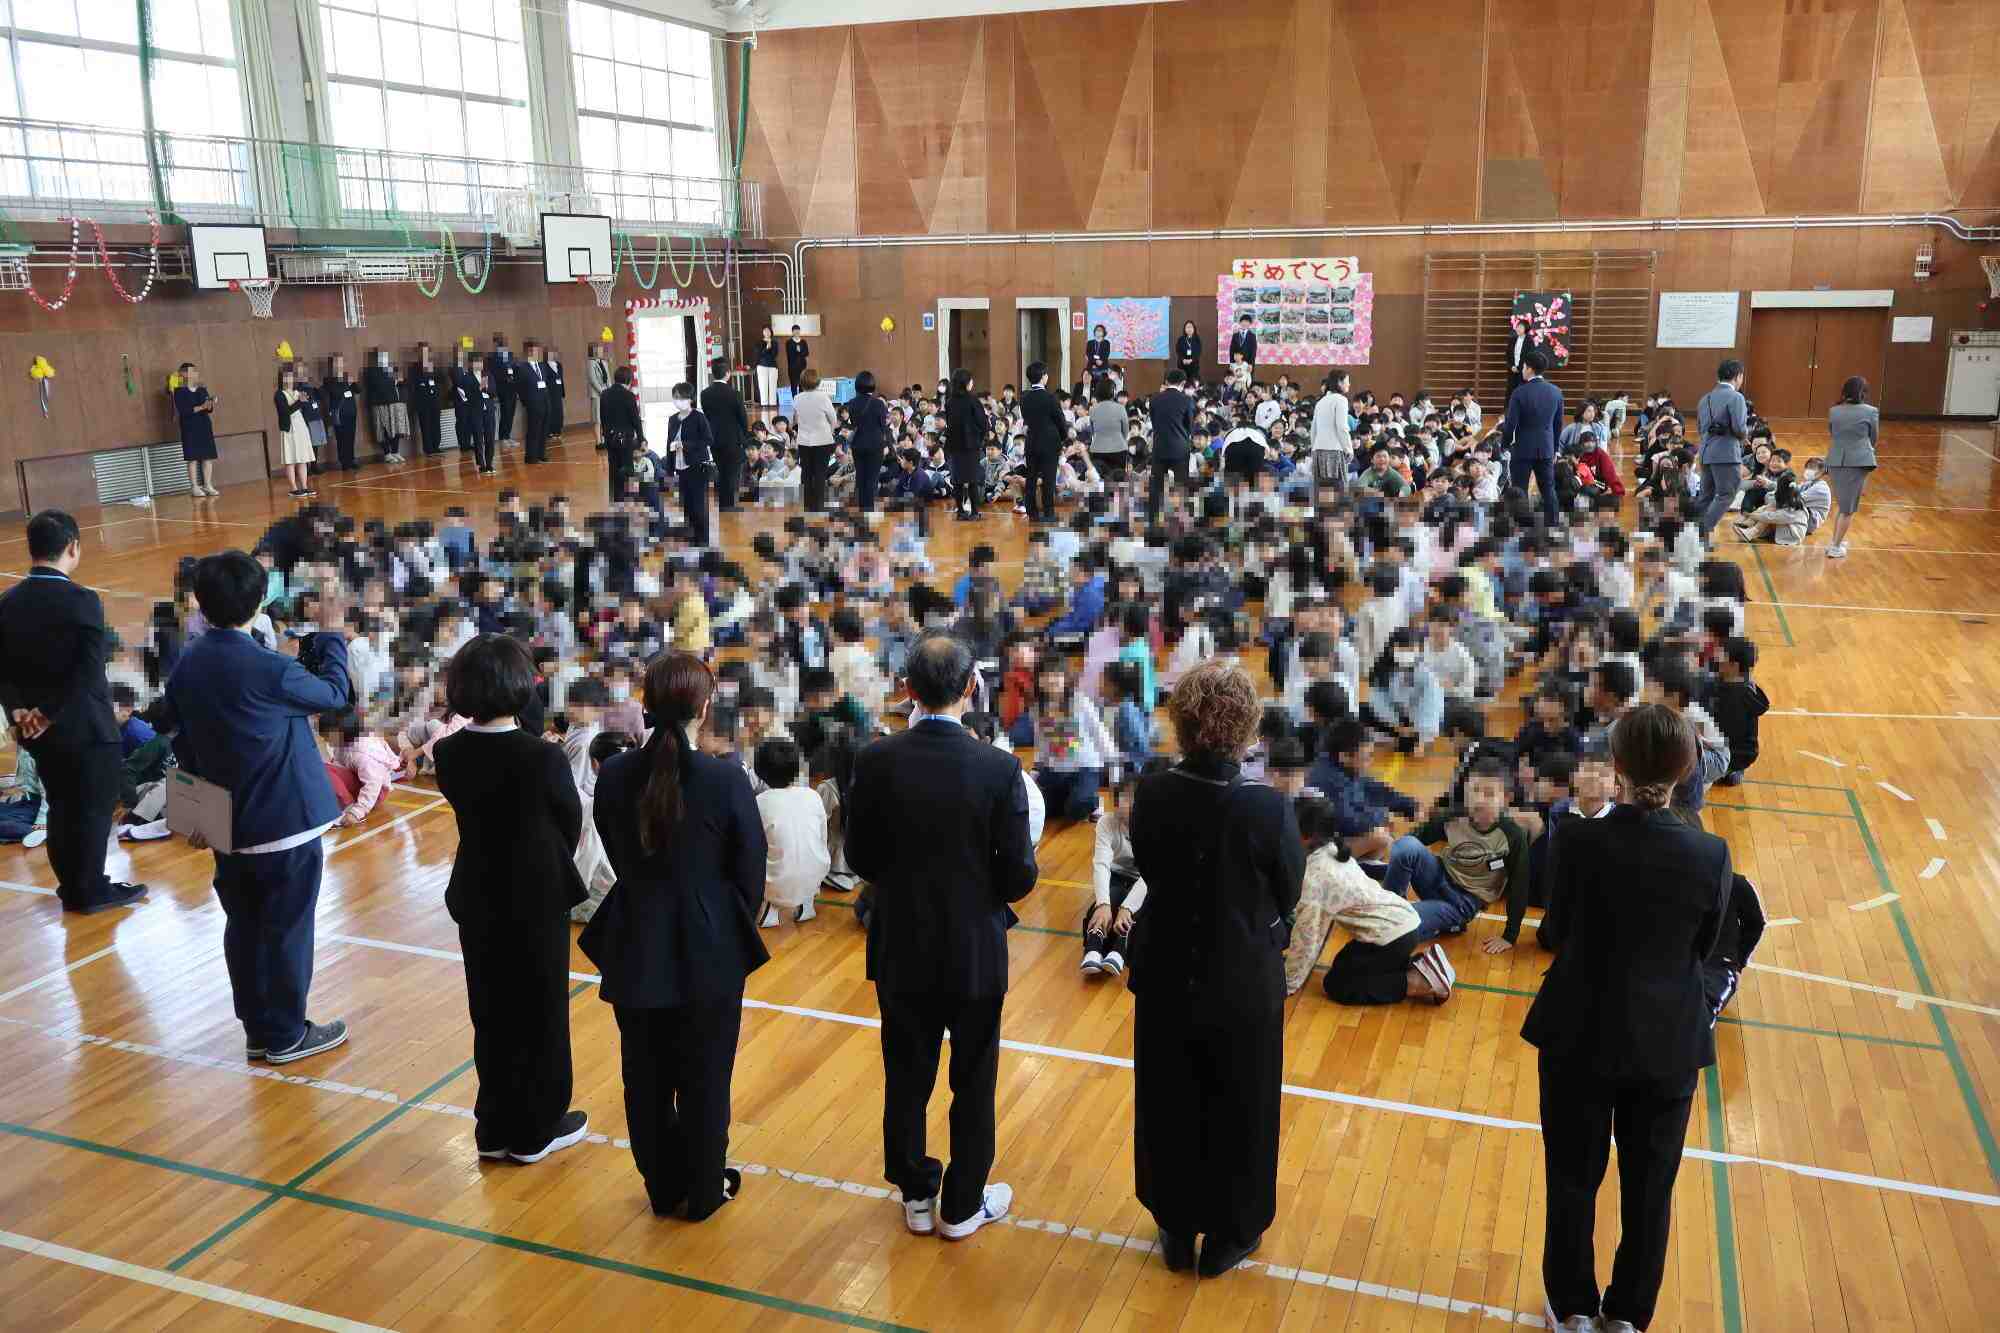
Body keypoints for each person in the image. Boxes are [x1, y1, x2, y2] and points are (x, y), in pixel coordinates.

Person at [1524, 705, 1733, 1333]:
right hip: (1667, 1039)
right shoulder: (1710, 854)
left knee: (1572, 1179)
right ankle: (1627, 1316)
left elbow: (1556, 932)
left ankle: (1573, 1309)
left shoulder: (1578, 840)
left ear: (1616, 765)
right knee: (1649, 1189)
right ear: (1688, 768)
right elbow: (1703, 947)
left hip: (1579, 1030)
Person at [843, 631, 1038, 1242]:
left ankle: (915, 1190)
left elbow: (860, 858)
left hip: (900, 943)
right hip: (974, 947)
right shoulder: (998, 768)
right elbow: (1019, 876)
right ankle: (963, 1202)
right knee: (974, 1076)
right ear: (972, 688)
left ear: (907, 689)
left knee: (906, 1071)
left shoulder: (875, 760)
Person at [1127, 658, 1303, 1278]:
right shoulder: (1268, 809)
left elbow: (1149, 866)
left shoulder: (1152, 792)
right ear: (1247, 729)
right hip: (1242, 978)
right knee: (1243, 1104)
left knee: (1169, 1097)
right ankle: (1233, 1232)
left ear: (1180, 724)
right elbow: (1288, 891)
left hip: (1166, 969)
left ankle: (1175, 1225)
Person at [581, 652, 768, 1220]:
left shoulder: (614, 774)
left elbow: (615, 847)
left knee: (645, 1076)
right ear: (704, 708)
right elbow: (750, 869)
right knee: (706, 1076)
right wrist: (718, 915)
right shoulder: (724, 778)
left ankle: (663, 1187)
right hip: (709, 942)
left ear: (646, 703)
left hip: (635, 935)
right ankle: (706, 1190)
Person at [157, 549, 354, 1063]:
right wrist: (332, 634)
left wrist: (195, 816)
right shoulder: (269, 668)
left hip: (227, 825)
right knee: (288, 928)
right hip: (284, 820)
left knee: (242, 927)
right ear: (260, 600)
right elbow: (335, 693)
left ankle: (259, 1030)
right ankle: (287, 1034)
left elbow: (180, 738)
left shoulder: (187, 665)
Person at [432, 634, 591, 1163]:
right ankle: (537, 1128)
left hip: (477, 891)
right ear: (522, 686)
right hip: (536, 895)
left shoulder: (448, 752)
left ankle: (495, 1125)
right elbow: (568, 819)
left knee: (491, 1009)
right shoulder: (541, 757)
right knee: (541, 1010)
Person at [0, 510, 147, 914]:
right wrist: (48, 711)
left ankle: (73, 886)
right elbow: (86, 671)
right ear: (73, 547)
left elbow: (3, 670)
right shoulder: (82, 601)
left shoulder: (7, 602)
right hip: (85, 727)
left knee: (62, 807)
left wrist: (19, 712)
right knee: (94, 810)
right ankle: (91, 890)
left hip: (38, 733)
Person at [1501, 347, 1564, 526]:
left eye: (1523, 367)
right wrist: (1555, 449)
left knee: (1520, 490)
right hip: (1546, 448)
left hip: (1523, 448)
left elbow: (1510, 424)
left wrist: (1505, 445)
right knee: (1548, 489)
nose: (1522, 370)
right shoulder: (1556, 391)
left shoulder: (1519, 392)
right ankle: (1553, 525)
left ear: (1529, 368)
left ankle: (1523, 527)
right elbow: (1558, 424)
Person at [1823, 374, 1878, 558]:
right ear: (1863, 392)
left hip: (1835, 460)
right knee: (1848, 509)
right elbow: (1873, 437)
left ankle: (1835, 540)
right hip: (1858, 462)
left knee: (1843, 505)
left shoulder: (1834, 411)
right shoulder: (1871, 411)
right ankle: (1835, 547)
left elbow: (1833, 433)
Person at [1696, 358, 1749, 539]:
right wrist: (1744, 437)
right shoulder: (1736, 397)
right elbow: (1740, 428)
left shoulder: (1705, 398)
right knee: (1727, 494)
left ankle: (1689, 533)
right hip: (1726, 454)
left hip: (1705, 452)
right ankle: (1700, 533)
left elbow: (1700, 429)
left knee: (1705, 497)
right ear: (1738, 376)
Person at [701, 355, 752, 514]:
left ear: (713, 373)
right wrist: (744, 436)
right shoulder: (734, 393)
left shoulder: (705, 393)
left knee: (722, 470)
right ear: (728, 373)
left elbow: (707, 415)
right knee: (732, 473)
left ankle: (723, 504)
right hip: (732, 439)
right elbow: (743, 419)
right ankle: (728, 505)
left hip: (714, 438)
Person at [1020, 360, 1067, 523]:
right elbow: (1060, 421)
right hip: (1049, 443)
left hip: (1032, 441)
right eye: (1046, 374)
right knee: (1048, 478)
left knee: (1031, 477)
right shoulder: (1050, 397)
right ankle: (1048, 513)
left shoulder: (1024, 398)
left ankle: (1031, 512)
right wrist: (1063, 437)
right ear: (1042, 376)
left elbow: (1027, 418)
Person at [667, 382, 714, 546]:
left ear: (690, 399)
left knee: (698, 504)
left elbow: (708, 439)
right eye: (676, 397)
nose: (678, 401)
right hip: (680, 467)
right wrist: (669, 469)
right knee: (686, 503)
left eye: (682, 397)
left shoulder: (698, 417)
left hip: (696, 465)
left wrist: (685, 445)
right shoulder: (673, 419)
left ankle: (702, 538)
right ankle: (691, 533)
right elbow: (669, 444)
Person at [1148, 369, 1195, 530]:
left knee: (1156, 487)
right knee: (1181, 486)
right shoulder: (1187, 400)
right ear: (1183, 383)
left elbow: (1154, 422)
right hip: (1180, 448)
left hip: (1160, 447)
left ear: (1166, 381)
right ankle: (1182, 523)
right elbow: (1190, 426)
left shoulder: (1155, 399)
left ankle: (1153, 522)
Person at [791, 367, 838, 513]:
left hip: (804, 441)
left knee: (806, 473)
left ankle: (807, 504)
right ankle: (818, 506)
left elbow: (796, 419)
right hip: (823, 441)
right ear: (818, 382)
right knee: (820, 474)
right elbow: (833, 419)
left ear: (802, 382)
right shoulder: (823, 397)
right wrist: (830, 430)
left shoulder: (797, 398)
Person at [944, 368, 988, 521]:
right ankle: (975, 512)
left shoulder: (949, 402)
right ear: (966, 383)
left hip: (954, 444)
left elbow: (949, 423)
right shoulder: (973, 400)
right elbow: (983, 423)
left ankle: (961, 511)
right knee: (972, 479)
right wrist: (979, 438)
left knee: (957, 479)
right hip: (971, 445)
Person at [848, 370, 891, 514]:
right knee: (872, 479)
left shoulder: (852, 403)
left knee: (861, 477)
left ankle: (862, 511)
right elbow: (883, 426)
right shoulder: (879, 404)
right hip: (875, 445)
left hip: (858, 445)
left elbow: (854, 423)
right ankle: (869, 511)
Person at [174, 362, 220, 496]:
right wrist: (201, 407)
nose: (194, 374)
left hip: (204, 425)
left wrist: (210, 403)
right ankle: (194, 487)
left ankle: (208, 485)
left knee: (208, 457)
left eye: (195, 371)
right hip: (189, 427)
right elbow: (184, 411)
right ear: (184, 374)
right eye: (191, 371)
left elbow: (208, 409)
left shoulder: (202, 389)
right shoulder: (179, 392)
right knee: (192, 458)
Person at [599, 365, 643, 504]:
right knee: (627, 467)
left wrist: (605, 437)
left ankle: (616, 499)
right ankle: (630, 497)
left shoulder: (604, 394)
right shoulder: (629, 396)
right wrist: (641, 438)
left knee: (613, 467)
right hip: (626, 438)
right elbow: (635, 419)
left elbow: (603, 418)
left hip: (610, 438)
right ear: (629, 380)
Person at [274, 364, 318, 499]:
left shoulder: (297, 392)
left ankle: (304, 486)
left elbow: (305, 407)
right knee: (291, 458)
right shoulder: (279, 394)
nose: (289, 380)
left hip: (300, 427)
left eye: (291, 377)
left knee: (302, 458)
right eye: (286, 377)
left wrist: (305, 400)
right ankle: (293, 488)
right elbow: (285, 412)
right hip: (289, 429)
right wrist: (300, 402)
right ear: (281, 379)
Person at [454, 351, 498, 475]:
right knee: (478, 438)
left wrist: (487, 389)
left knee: (490, 437)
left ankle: (489, 463)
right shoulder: (466, 378)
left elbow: (494, 392)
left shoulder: (488, 375)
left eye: (480, 362)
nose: (479, 364)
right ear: (471, 364)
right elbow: (467, 395)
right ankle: (481, 464)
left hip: (489, 410)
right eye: (476, 362)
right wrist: (479, 390)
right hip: (475, 411)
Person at [1310, 369, 1354, 492]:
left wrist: (1314, 449)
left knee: (1321, 492)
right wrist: (1348, 449)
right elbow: (1342, 427)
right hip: (1334, 450)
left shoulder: (1320, 401)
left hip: (1318, 451)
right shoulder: (1341, 399)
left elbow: (1313, 429)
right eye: (1347, 381)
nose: (1349, 384)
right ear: (1339, 382)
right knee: (1336, 492)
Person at [363, 348, 407, 464]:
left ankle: (395, 451)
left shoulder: (391, 368)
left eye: (385, 355)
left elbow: (401, 381)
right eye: (381, 356)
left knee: (395, 428)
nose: (384, 358)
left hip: (394, 403)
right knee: (383, 430)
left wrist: (400, 380)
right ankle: (387, 453)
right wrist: (394, 381)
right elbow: (379, 384)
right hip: (380, 404)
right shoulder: (372, 370)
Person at [1087, 377, 1129, 485]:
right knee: (1118, 483)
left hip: (1097, 450)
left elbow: (1092, 432)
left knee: (1098, 483)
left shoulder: (1093, 410)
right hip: (1118, 450)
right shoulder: (1121, 408)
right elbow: (1125, 431)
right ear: (1113, 392)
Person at [321, 354, 359, 473]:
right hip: (339, 413)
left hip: (351, 411)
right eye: (337, 363)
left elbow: (359, 390)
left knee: (351, 436)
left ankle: (351, 459)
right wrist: (346, 384)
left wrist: (354, 382)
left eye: (341, 362)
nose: (339, 365)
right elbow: (336, 393)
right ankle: (344, 462)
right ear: (333, 365)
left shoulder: (347, 376)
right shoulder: (329, 380)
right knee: (341, 438)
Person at [517, 338, 552, 464]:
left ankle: (541, 453)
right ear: (528, 352)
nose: (536, 353)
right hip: (533, 403)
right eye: (533, 351)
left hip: (545, 402)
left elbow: (546, 383)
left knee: (544, 429)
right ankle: (531, 456)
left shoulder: (542, 366)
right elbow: (520, 387)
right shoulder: (522, 368)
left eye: (537, 350)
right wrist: (527, 402)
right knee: (533, 430)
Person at [408, 342, 444, 456]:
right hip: (423, 400)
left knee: (436, 424)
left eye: (427, 351)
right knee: (426, 425)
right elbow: (412, 383)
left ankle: (436, 446)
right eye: (422, 352)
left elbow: (440, 379)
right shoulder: (414, 367)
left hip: (435, 399)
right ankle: (428, 449)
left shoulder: (433, 365)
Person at [586, 343, 612, 444]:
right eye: (598, 349)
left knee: (605, 417)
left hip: (606, 392)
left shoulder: (604, 362)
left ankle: (604, 439)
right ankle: (598, 442)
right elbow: (592, 379)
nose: (601, 351)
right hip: (597, 394)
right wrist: (602, 391)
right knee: (597, 419)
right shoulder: (591, 363)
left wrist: (610, 390)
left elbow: (608, 378)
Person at [755, 328, 781, 405]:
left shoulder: (775, 342)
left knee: (773, 387)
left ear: (771, 332)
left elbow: (774, 355)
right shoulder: (759, 342)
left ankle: (773, 404)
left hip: (773, 367)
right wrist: (767, 348)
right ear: (763, 332)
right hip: (762, 366)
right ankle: (764, 405)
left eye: (768, 331)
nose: (767, 332)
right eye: (765, 331)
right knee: (763, 387)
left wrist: (770, 345)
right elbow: (759, 354)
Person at [1174, 318, 1202, 385]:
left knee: (1192, 383)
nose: (1189, 329)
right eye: (1187, 327)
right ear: (1184, 329)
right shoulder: (1181, 339)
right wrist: (1183, 359)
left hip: (1193, 365)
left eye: (1191, 327)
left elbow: (1198, 352)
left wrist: (1191, 360)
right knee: (1182, 382)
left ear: (1194, 329)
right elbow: (1178, 351)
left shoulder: (1197, 339)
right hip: (1182, 365)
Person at [784, 324, 810, 396]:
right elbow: (790, 354)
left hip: (802, 366)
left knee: (802, 384)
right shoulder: (789, 342)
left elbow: (806, 353)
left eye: (798, 331)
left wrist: (800, 351)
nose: (797, 332)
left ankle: (801, 400)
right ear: (792, 332)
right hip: (793, 367)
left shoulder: (803, 342)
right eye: (795, 331)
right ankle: (795, 400)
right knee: (794, 385)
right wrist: (798, 352)